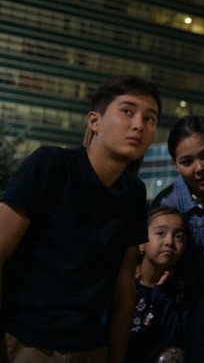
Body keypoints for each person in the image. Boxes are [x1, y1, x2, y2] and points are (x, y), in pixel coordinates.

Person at [0, 75, 161, 363]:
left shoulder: (133, 192)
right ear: (94, 121)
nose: (139, 124)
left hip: (91, 347)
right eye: (127, 111)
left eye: (150, 118)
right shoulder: (51, 164)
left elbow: (124, 287)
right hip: (27, 341)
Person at [150, 115, 204, 363]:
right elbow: (164, 266)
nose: (199, 168)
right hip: (192, 316)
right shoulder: (168, 203)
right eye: (187, 161)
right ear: (175, 164)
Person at [126, 206, 189, 363]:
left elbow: (174, 340)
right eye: (160, 233)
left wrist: (162, 293)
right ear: (141, 242)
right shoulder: (125, 283)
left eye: (178, 236)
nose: (169, 242)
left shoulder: (179, 289)